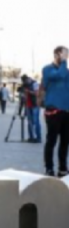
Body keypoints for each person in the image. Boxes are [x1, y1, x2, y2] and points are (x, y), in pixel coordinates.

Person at [41, 46, 69, 177]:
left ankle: (63, 168)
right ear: (57, 54)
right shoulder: (47, 69)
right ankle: (49, 168)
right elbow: (59, 75)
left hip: (66, 111)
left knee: (65, 141)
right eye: (64, 54)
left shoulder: (66, 71)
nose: (66, 57)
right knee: (51, 140)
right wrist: (63, 62)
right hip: (53, 111)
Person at [21, 75, 42, 144]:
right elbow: (24, 94)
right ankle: (31, 137)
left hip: (35, 105)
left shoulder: (34, 84)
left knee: (36, 122)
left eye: (26, 81)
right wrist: (24, 94)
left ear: (28, 79)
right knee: (29, 122)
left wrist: (28, 91)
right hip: (28, 105)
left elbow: (37, 93)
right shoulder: (25, 85)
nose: (25, 83)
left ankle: (38, 137)